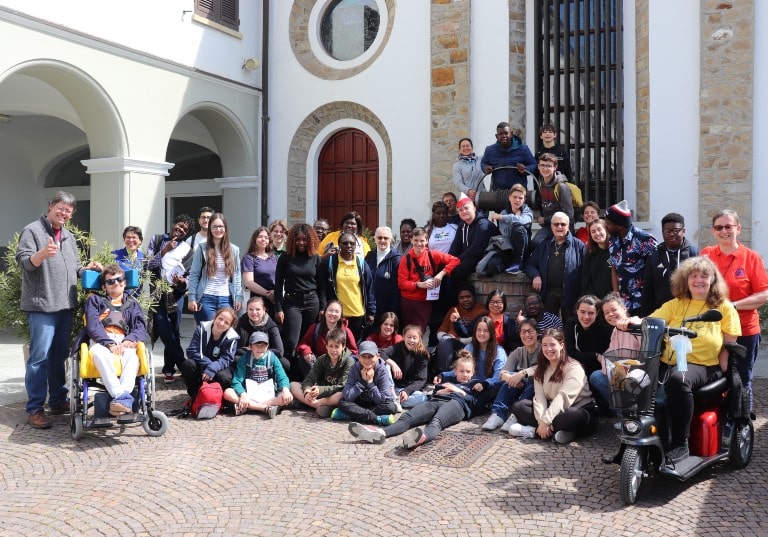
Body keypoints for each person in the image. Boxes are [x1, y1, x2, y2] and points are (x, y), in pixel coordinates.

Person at [622, 256, 741, 462]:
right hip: (670, 364)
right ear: (685, 280)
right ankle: (638, 433)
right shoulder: (676, 304)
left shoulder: (723, 307)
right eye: (693, 276)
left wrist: (728, 376)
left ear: (713, 280)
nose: (698, 280)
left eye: (704, 276)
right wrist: (633, 320)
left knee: (678, 379)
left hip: (705, 366)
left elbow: (729, 345)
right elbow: (651, 320)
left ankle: (680, 443)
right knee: (636, 378)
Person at [16, 191, 103, 429]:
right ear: (51, 206)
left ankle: (57, 400)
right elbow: (24, 262)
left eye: (69, 211)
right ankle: (35, 409)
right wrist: (42, 254)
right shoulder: (33, 231)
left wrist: (88, 269)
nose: (64, 213)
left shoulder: (69, 237)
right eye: (61, 208)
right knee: (39, 358)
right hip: (42, 305)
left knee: (59, 356)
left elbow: (74, 267)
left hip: (65, 305)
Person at [701, 209, 768, 413]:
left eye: (728, 226)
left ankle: (741, 424)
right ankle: (719, 422)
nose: (724, 231)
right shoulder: (707, 254)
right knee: (715, 376)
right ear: (713, 231)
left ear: (738, 228)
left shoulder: (751, 258)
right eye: (719, 227)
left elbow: (764, 294)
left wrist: (732, 306)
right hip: (713, 330)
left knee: (742, 378)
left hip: (744, 331)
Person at [348, 350, 487, 448]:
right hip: (436, 401)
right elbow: (434, 394)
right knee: (406, 417)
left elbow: (478, 405)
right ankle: (380, 433)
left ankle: (420, 438)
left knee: (436, 422)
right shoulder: (447, 380)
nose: (464, 374)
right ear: (455, 371)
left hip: (457, 405)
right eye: (461, 371)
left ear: (473, 373)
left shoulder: (475, 385)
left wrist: (458, 391)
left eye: (468, 372)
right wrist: (441, 391)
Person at [505, 328, 599, 443]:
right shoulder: (541, 369)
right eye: (545, 345)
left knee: (571, 416)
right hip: (552, 409)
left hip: (577, 409)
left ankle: (533, 432)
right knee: (519, 406)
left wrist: (546, 421)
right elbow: (539, 398)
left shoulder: (574, 368)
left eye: (552, 345)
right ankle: (560, 433)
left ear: (561, 345)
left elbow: (563, 398)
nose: (548, 349)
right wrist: (542, 422)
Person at [84, 264, 146, 417]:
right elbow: (92, 326)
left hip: (125, 341)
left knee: (133, 358)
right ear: (104, 287)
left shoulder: (132, 304)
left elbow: (140, 327)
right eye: (110, 282)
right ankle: (122, 397)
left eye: (119, 280)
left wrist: (129, 340)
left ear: (124, 283)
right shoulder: (95, 301)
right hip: (101, 341)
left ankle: (120, 401)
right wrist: (109, 343)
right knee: (99, 354)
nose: (116, 283)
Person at [146, 214, 195, 384]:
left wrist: (182, 281)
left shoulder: (188, 251)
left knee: (174, 332)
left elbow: (189, 276)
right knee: (164, 330)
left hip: (176, 296)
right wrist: (164, 250)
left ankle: (168, 369)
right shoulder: (157, 239)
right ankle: (184, 364)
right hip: (158, 293)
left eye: (185, 229)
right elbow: (147, 264)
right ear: (174, 224)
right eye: (180, 226)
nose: (181, 230)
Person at [274, 223, 325, 360]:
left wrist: (323, 308)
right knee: (291, 341)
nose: (301, 243)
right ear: (292, 240)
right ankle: (290, 374)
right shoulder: (285, 258)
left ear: (310, 240)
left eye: (304, 239)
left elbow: (321, 285)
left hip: (312, 302)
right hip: (292, 302)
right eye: (298, 239)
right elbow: (278, 285)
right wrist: (278, 308)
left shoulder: (315, 258)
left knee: (307, 340)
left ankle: (305, 375)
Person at [589, 292, 642, 419]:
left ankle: (634, 414)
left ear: (624, 309)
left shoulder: (636, 323)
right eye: (606, 313)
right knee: (596, 376)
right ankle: (623, 413)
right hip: (621, 373)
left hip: (640, 374)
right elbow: (609, 355)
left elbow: (647, 354)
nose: (610, 315)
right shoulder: (615, 330)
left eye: (613, 310)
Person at [481, 318, 541, 431]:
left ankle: (516, 415)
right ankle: (498, 415)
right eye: (523, 331)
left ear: (537, 332)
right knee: (510, 377)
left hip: (536, 391)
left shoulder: (543, 349)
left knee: (534, 380)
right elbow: (502, 373)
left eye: (530, 331)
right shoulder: (518, 351)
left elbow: (544, 367)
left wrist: (522, 373)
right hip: (518, 388)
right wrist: (510, 378)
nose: (527, 335)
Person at [398, 227, 459, 333]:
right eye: (416, 240)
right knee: (408, 332)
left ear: (426, 241)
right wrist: (419, 285)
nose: (419, 244)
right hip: (407, 300)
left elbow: (455, 260)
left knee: (419, 332)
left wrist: (441, 274)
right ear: (411, 240)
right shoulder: (405, 258)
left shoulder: (432, 254)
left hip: (424, 301)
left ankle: (417, 350)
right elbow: (401, 284)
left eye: (422, 240)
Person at [525, 211, 585, 320]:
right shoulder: (543, 245)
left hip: (571, 293)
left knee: (570, 326)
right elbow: (530, 265)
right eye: (556, 224)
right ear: (551, 227)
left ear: (568, 226)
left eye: (563, 224)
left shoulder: (578, 245)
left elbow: (586, 270)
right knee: (550, 327)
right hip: (548, 293)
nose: (559, 227)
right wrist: (535, 275)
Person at [604, 200, 658, 316]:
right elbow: (613, 266)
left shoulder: (644, 239)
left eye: (608, 223)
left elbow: (656, 267)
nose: (605, 226)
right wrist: (615, 292)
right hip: (623, 302)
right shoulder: (613, 239)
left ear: (619, 226)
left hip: (643, 301)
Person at [639, 213, 699, 317]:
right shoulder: (654, 255)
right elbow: (648, 288)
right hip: (661, 311)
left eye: (676, 231)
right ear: (662, 233)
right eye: (667, 231)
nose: (671, 234)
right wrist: (646, 316)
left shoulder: (693, 254)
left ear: (683, 231)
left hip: (688, 312)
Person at [187, 213, 243, 324]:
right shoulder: (202, 248)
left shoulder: (234, 250)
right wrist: (192, 297)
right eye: (214, 226)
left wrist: (238, 297)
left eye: (221, 226)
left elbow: (236, 275)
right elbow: (194, 274)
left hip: (227, 299)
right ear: (210, 229)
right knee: (207, 333)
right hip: (206, 298)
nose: (218, 229)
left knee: (225, 334)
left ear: (225, 228)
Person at [224, 332, 292, 418]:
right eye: (256, 345)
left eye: (263, 345)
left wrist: (285, 389)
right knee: (228, 393)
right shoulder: (244, 359)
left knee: (287, 397)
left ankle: (249, 407)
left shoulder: (272, 357)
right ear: (250, 346)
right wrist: (243, 394)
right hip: (249, 394)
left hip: (269, 394)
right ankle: (264, 408)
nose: (260, 348)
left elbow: (282, 376)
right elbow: (236, 380)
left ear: (268, 346)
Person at [289, 327, 354, 418]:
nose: (333, 350)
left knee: (341, 395)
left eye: (337, 346)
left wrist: (320, 390)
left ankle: (314, 404)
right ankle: (317, 405)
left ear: (343, 347)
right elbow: (309, 378)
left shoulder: (349, 361)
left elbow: (342, 385)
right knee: (293, 385)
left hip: (333, 394)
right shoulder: (323, 359)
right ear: (326, 346)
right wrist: (307, 392)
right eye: (330, 346)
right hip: (320, 394)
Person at [323, 231, 376, 339]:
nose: (349, 246)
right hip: (337, 315)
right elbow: (323, 288)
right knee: (337, 345)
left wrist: (371, 311)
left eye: (352, 243)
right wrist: (323, 307)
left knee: (354, 347)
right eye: (345, 243)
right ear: (339, 244)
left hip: (357, 314)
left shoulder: (361, 263)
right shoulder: (331, 262)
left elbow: (369, 288)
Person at [180, 306, 239, 400]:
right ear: (215, 317)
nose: (221, 323)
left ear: (230, 326)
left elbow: (227, 359)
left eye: (226, 322)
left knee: (224, 377)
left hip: (219, 368)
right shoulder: (201, 329)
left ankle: (219, 399)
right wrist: (210, 366)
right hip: (203, 365)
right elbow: (192, 351)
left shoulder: (232, 338)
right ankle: (195, 395)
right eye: (220, 318)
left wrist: (213, 368)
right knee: (188, 364)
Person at [333, 341, 397, 425]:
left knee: (391, 407)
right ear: (358, 357)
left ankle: (352, 415)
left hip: (375, 404)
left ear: (377, 357)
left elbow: (383, 399)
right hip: (359, 403)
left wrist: (370, 383)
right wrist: (362, 382)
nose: (367, 360)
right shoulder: (354, 369)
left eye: (371, 356)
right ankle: (376, 419)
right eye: (363, 356)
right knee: (342, 403)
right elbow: (347, 396)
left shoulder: (382, 371)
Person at [432, 283, 488, 375]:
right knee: (445, 340)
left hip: (468, 345)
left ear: (474, 297)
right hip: (449, 343)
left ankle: (444, 376)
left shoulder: (481, 311)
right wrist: (446, 336)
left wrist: (458, 339)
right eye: (461, 298)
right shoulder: (454, 310)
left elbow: (479, 336)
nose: (465, 300)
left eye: (468, 296)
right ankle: (444, 375)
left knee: (446, 341)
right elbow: (441, 330)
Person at [295, 300, 358, 380]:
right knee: (303, 358)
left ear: (341, 316)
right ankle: (313, 383)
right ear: (325, 312)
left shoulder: (346, 332)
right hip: (319, 364)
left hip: (338, 367)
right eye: (330, 310)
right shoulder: (315, 328)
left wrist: (341, 358)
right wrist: (306, 351)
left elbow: (354, 352)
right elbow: (303, 344)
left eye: (336, 312)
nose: (333, 314)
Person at [448, 196, 499, 287]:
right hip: (468, 257)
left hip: (482, 257)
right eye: (460, 210)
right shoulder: (462, 225)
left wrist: (458, 260)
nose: (464, 211)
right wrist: (448, 259)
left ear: (474, 208)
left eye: (466, 208)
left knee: (458, 271)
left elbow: (477, 249)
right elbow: (455, 246)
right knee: (442, 268)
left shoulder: (483, 225)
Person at [484, 183, 533, 275]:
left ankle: (518, 264)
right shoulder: (504, 212)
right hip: (507, 249)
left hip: (522, 251)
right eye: (514, 197)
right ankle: (507, 267)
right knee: (492, 265)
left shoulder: (527, 211)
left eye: (520, 198)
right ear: (509, 197)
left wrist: (505, 218)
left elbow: (525, 220)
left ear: (524, 200)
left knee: (519, 229)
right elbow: (506, 234)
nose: (517, 200)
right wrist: (515, 219)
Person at [461, 315, 506, 411]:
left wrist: (485, 384)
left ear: (491, 333)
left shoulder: (499, 351)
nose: (481, 333)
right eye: (479, 330)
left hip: (489, 389)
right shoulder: (469, 348)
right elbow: (459, 370)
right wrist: (442, 376)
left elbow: (499, 376)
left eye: (486, 330)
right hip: (471, 387)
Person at [563, 295, 612, 382]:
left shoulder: (605, 327)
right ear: (577, 311)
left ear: (597, 313)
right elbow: (570, 352)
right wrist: (595, 355)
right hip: (578, 367)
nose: (586, 317)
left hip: (599, 370)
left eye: (591, 313)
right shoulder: (571, 324)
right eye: (582, 312)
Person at [380, 324, 429, 410]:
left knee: (423, 398)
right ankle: (392, 397)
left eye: (414, 337)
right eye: (409, 337)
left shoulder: (423, 355)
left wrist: (407, 391)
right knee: (386, 365)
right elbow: (382, 353)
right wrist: (393, 364)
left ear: (419, 339)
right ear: (404, 337)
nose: (411, 340)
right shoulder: (398, 347)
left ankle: (392, 400)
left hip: (406, 388)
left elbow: (421, 379)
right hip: (392, 386)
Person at [532, 152, 574, 247]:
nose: (545, 169)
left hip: (562, 227)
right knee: (535, 244)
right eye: (542, 165)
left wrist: (545, 220)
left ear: (555, 167)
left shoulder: (561, 187)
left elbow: (569, 214)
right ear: (538, 167)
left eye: (549, 166)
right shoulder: (541, 184)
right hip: (548, 227)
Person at [480, 122, 537, 191]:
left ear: (511, 134)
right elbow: (483, 163)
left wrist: (526, 169)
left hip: (518, 192)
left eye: (506, 133)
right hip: (497, 193)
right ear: (496, 136)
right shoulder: (489, 150)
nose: (503, 136)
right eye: (500, 134)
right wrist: (485, 168)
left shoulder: (523, 149)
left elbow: (533, 164)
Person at [235, 296, 286, 371]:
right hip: (246, 357)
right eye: (251, 309)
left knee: (284, 363)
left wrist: (255, 350)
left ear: (264, 310)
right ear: (247, 310)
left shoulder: (271, 326)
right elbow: (235, 348)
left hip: (264, 357)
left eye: (258, 309)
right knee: (234, 359)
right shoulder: (241, 322)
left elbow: (279, 351)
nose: (254, 312)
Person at [364, 226, 401, 327]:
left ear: (391, 240)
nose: (382, 240)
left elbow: (396, 288)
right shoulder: (369, 256)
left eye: (386, 238)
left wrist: (392, 312)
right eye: (379, 237)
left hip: (387, 310)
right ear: (374, 239)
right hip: (370, 309)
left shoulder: (396, 259)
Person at [241, 226, 278, 318]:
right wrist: (268, 294)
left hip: (275, 300)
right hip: (257, 302)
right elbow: (248, 282)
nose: (263, 239)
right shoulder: (249, 258)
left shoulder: (274, 258)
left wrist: (275, 292)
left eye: (266, 237)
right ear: (255, 239)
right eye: (260, 237)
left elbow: (281, 278)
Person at [580, 219, 612, 300]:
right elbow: (586, 279)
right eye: (593, 232)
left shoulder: (616, 251)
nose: (597, 233)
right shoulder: (589, 254)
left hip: (613, 299)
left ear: (606, 229)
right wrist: (594, 298)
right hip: (595, 300)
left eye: (599, 229)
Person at [112, 226, 144, 298]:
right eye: (128, 237)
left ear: (140, 241)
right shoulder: (114, 255)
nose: (131, 240)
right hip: (117, 299)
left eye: (134, 237)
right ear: (124, 239)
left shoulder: (144, 258)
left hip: (136, 301)